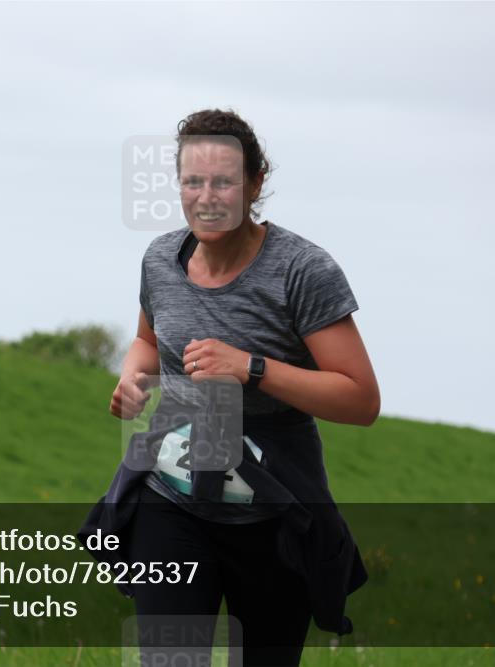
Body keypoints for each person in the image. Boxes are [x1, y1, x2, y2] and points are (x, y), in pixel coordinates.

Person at [79, 109, 380, 667]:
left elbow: (360, 399)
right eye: (193, 182)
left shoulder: (301, 271)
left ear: (255, 183)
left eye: (223, 181)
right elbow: (148, 341)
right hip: (170, 502)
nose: (207, 196)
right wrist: (132, 377)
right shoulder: (161, 260)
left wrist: (252, 367)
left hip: (271, 516)